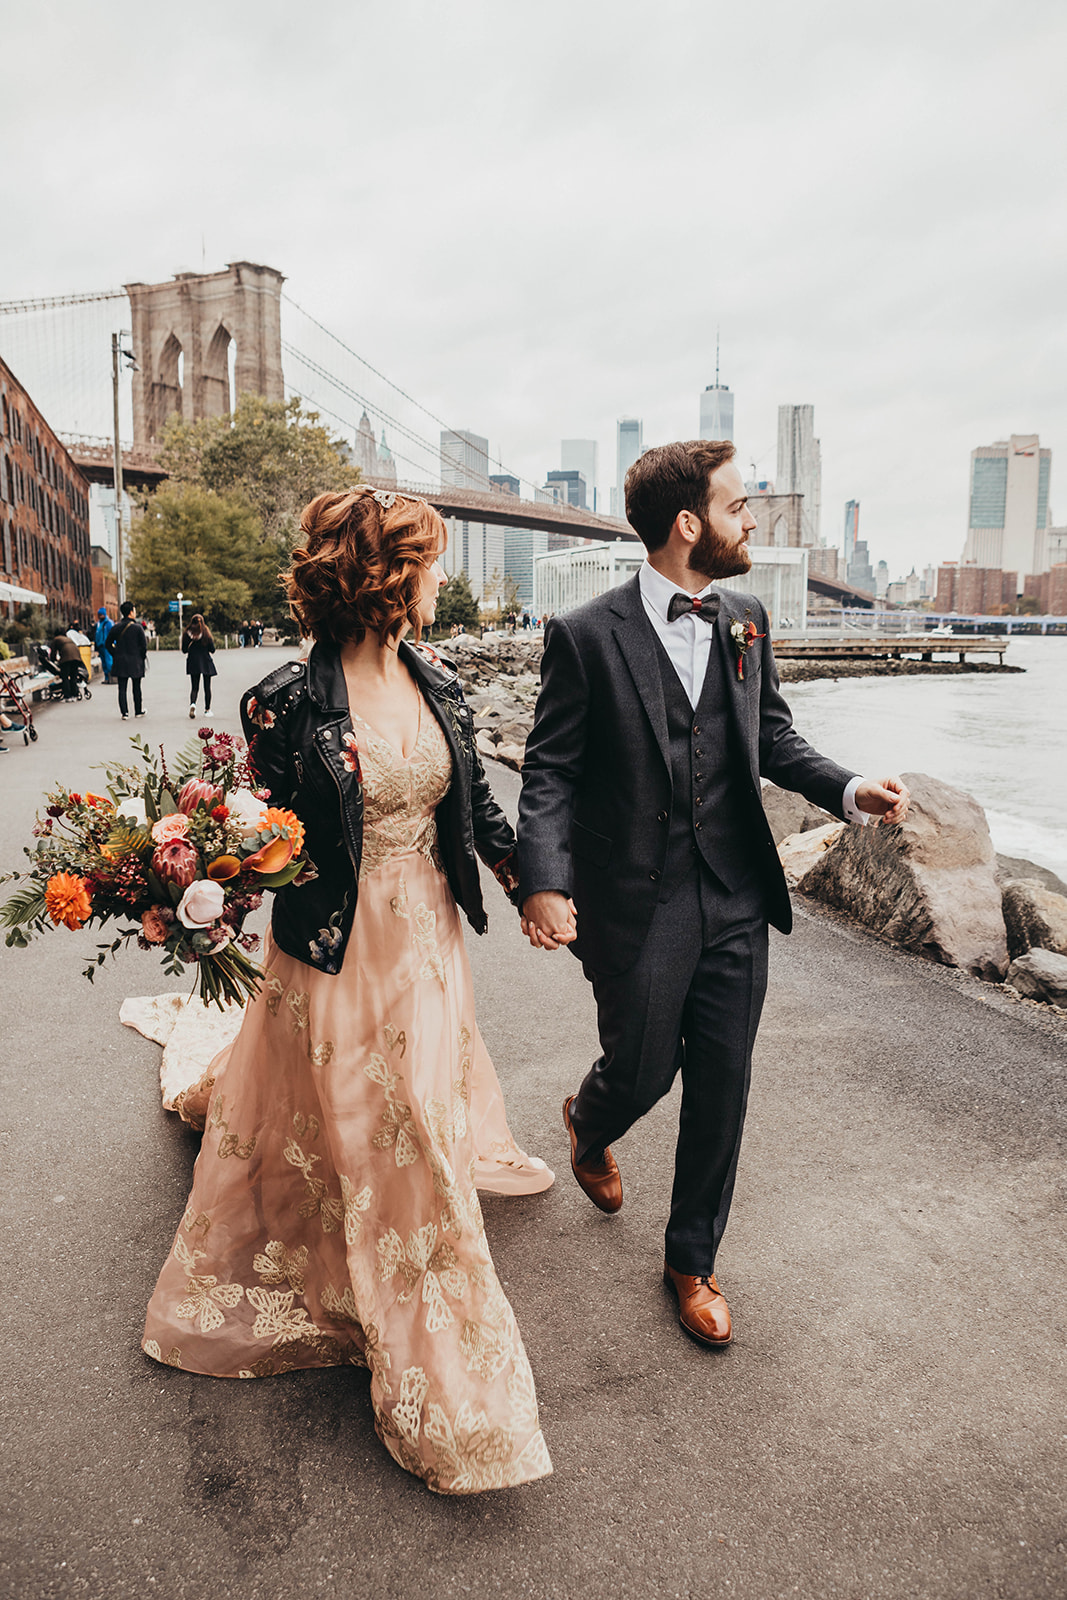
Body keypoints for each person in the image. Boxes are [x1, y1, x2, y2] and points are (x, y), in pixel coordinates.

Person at [143, 485, 554, 1495]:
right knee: (391, 1121)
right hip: (335, 941)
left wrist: (528, 883)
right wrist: (186, 896)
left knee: (407, 1107)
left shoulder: (440, 679)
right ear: (385, 574)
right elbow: (252, 837)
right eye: (428, 561)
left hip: (430, 939)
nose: (440, 578)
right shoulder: (283, 700)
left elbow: (476, 812)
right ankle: (436, 1361)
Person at [517, 440, 909, 1349]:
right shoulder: (583, 634)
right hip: (635, 900)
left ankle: (691, 1260)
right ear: (688, 524)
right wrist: (544, 879)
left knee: (723, 1084)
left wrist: (849, 792)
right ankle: (591, 1113)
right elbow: (549, 771)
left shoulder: (746, 618)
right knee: (644, 1068)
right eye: (739, 507)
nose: (752, 521)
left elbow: (773, 737)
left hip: (735, 892)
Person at [106, 601, 148, 720]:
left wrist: (115, 654)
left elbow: (107, 644)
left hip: (120, 661)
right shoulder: (137, 628)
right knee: (136, 687)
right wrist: (141, 657)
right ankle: (138, 711)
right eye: (134, 610)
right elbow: (144, 646)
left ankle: (124, 713)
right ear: (130, 612)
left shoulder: (116, 627)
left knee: (122, 688)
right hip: (135, 661)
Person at [181, 613, 217, 719]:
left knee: (194, 687)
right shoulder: (206, 633)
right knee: (207, 687)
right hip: (205, 662)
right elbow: (212, 649)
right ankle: (207, 710)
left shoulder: (187, 634)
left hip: (193, 662)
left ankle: (193, 704)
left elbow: (184, 650)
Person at [52, 631, 83, 700]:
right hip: (77, 657)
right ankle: (75, 694)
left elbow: (53, 652)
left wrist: (53, 660)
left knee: (65, 677)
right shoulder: (68, 638)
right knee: (73, 677)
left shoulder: (56, 639)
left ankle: (67, 696)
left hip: (66, 658)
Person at [94, 607, 114, 683]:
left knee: (109, 662)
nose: (100, 615)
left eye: (101, 614)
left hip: (107, 645)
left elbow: (112, 633)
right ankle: (106, 678)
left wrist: (113, 643)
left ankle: (111, 678)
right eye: (99, 614)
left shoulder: (109, 623)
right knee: (104, 663)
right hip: (101, 646)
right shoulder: (99, 623)